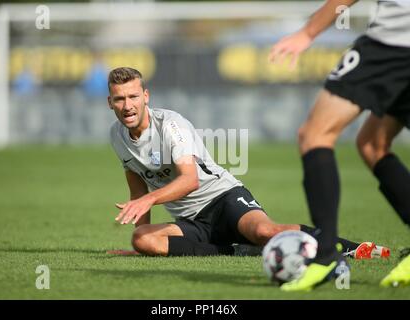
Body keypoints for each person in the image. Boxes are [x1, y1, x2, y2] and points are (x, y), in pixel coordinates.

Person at [106, 66, 388, 261]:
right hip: (190, 222)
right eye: (119, 99)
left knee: (266, 232)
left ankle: (352, 248)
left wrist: (149, 201)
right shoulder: (116, 136)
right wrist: (142, 245)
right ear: (110, 103)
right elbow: (138, 192)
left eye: (133, 96)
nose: (127, 105)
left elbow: (189, 180)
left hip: (223, 199)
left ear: (146, 96)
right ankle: (239, 251)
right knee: (143, 239)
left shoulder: (170, 125)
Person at [269, 0, 410, 290]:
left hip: (395, 42)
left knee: (314, 135)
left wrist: (307, 33)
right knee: (373, 144)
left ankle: (326, 258)